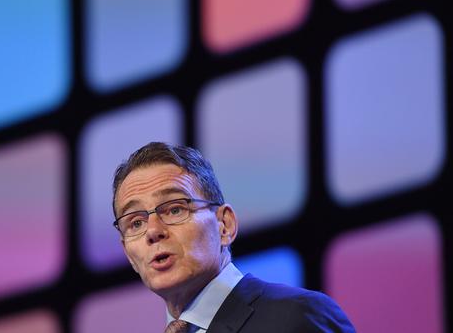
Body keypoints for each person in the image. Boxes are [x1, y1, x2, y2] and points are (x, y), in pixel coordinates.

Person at [111, 142, 355, 333]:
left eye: (175, 209)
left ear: (224, 225)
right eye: (136, 222)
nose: (153, 231)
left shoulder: (295, 318)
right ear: (128, 255)